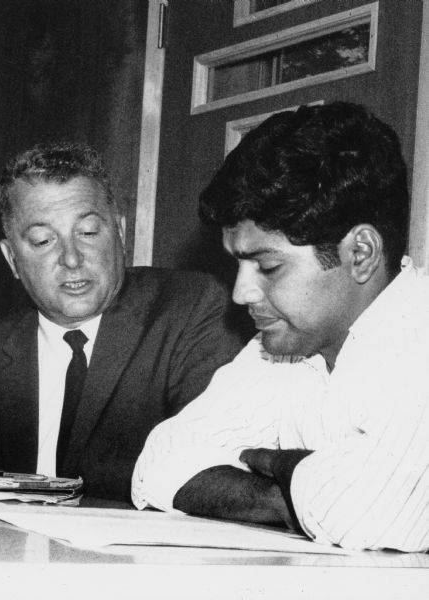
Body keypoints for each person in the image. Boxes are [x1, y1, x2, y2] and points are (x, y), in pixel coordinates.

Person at [132, 101, 429, 552]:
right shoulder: (282, 345)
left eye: (268, 266)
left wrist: (269, 463)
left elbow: (372, 516)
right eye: (239, 264)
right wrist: (291, 482)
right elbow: (158, 464)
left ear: (361, 253)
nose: (241, 293)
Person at [0, 141, 243, 502]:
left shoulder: (191, 309)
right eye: (42, 240)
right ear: (11, 259)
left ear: (119, 231)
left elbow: (211, 467)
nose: (71, 258)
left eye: (88, 232)